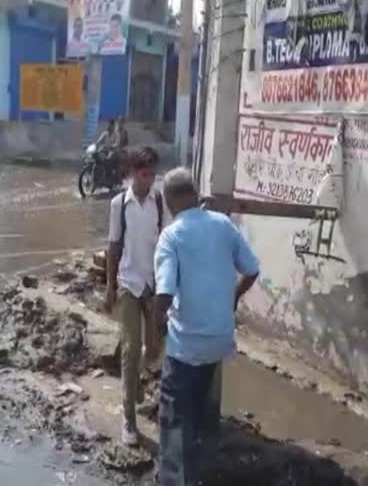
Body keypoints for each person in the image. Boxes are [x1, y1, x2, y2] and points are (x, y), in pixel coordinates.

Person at [153, 168, 260, 485]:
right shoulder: (223, 224)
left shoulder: (171, 235)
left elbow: (164, 292)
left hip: (187, 346)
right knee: (205, 416)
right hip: (220, 341)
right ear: (194, 193)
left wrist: (154, 331)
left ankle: (176, 479)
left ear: (170, 200)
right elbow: (252, 270)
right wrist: (232, 299)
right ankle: (207, 474)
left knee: (175, 421)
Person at [105, 147, 167, 447]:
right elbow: (113, 246)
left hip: (155, 285)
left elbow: (169, 243)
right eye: (144, 174)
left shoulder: (160, 201)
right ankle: (129, 418)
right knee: (132, 350)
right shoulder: (119, 204)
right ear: (132, 173)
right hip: (129, 283)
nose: (149, 179)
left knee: (154, 350)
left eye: (153, 174)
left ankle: (136, 381)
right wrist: (109, 287)